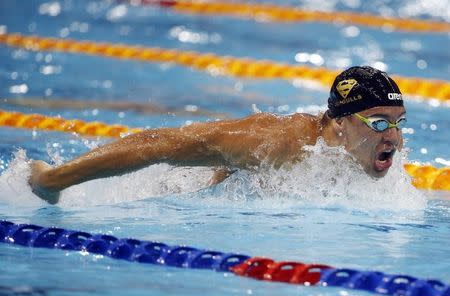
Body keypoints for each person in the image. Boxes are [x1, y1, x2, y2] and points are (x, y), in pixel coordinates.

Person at [29, 66, 407, 204]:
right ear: (339, 122)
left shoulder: (358, 152)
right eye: (378, 122)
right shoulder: (281, 143)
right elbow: (159, 144)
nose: (394, 137)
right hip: (186, 195)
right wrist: (53, 181)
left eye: (398, 122)